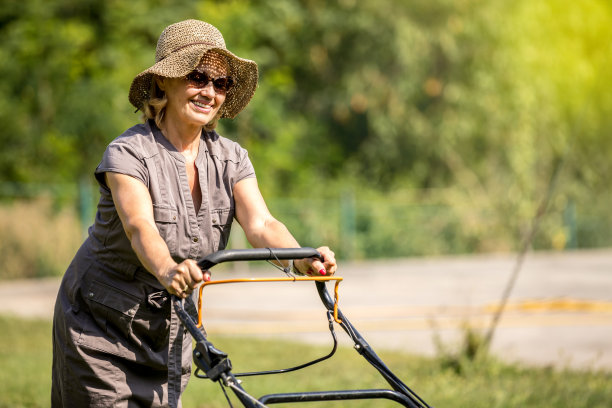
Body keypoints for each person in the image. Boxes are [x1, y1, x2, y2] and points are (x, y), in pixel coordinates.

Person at [51, 19, 337, 407]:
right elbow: (139, 228)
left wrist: (302, 258)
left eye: (221, 83)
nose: (209, 92)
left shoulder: (231, 158)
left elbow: (262, 223)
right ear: (164, 82)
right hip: (100, 330)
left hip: (169, 331)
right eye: (198, 77)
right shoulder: (128, 153)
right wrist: (168, 269)